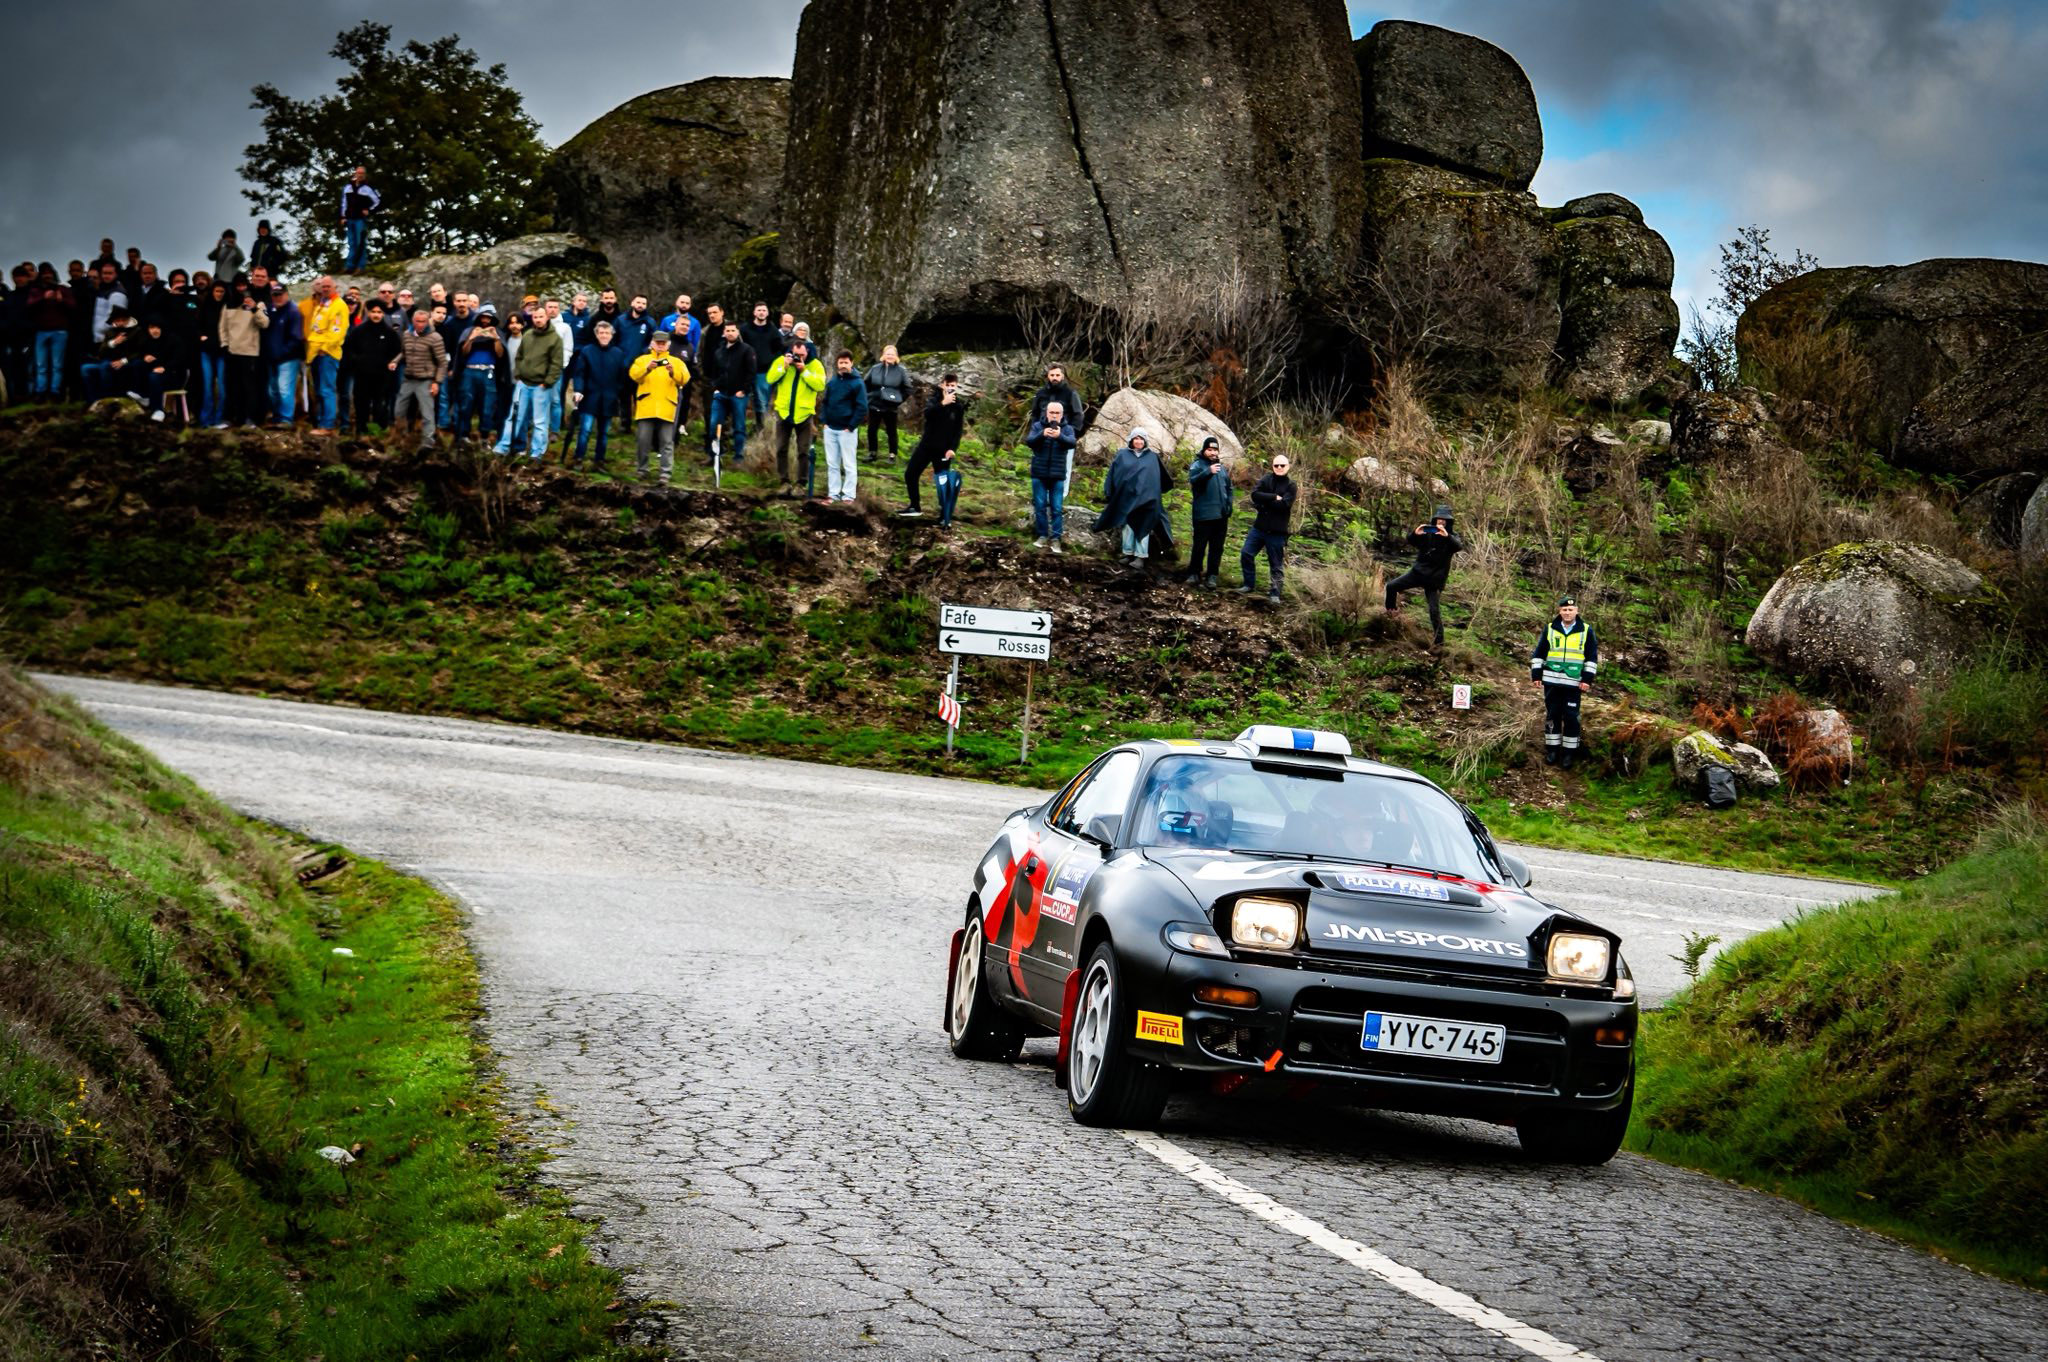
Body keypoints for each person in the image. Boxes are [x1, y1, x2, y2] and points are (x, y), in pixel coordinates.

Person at [1531, 596, 1598, 769]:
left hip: (1574, 682)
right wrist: (1536, 675)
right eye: (1564, 610)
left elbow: (1591, 657)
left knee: (1571, 717)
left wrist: (1587, 679)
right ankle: (1552, 750)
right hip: (1552, 681)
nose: (1567, 613)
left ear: (1577, 611)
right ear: (1559, 611)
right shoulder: (1550, 629)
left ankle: (1569, 753)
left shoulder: (1586, 630)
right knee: (1552, 715)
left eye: (1570, 610)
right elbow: (1539, 653)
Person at [1384, 504, 1463, 645]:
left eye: (1444, 520)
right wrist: (1416, 533)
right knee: (1391, 586)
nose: (1441, 522)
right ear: (1435, 520)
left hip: (1434, 580)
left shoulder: (1452, 538)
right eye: (1439, 520)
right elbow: (1410, 541)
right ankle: (1391, 614)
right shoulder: (1427, 534)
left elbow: (1458, 546)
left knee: (1434, 610)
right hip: (1418, 573)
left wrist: (1446, 536)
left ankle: (1439, 643)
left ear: (1449, 522)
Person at [1098, 428, 1173, 567]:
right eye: (1136, 438)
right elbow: (1114, 473)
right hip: (1127, 498)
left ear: (1145, 441)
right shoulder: (1122, 455)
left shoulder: (1152, 457)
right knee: (1128, 526)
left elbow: (1161, 477)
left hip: (1146, 500)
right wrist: (1110, 492)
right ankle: (1128, 554)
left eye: (1141, 439)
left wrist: (1155, 492)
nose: (1138, 441)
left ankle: (1140, 556)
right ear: (1131, 440)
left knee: (1143, 526)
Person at [498, 302, 563, 459]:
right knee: (514, 417)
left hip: (541, 386)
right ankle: (503, 447)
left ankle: (537, 453)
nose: (538, 320)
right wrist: (519, 373)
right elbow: (519, 356)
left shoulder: (555, 339)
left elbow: (556, 364)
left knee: (540, 422)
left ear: (547, 317)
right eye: (535, 317)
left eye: (541, 316)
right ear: (532, 318)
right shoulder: (527, 335)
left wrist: (547, 382)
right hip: (523, 384)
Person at [899, 373, 967, 519]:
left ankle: (944, 514)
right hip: (927, 445)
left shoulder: (959, 406)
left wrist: (952, 449)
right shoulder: (933, 399)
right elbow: (928, 414)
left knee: (943, 482)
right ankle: (914, 506)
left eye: (952, 385)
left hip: (944, 450)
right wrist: (943, 403)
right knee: (910, 473)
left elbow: (958, 430)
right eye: (947, 385)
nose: (950, 388)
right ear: (942, 385)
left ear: (956, 386)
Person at [765, 338, 827, 496]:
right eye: (796, 354)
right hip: (783, 412)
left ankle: (801, 484)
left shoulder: (815, 365)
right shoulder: (782, 360)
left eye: (802, 354)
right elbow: (770, 379)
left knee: (803, 450)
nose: (799, 357)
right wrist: (784, 367)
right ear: (791, 351)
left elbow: (820, 385)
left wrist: (804, 370)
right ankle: (784, 482)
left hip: (804, 414)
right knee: (781, 449)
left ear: (807, 352)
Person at [564, 318, 626, 470]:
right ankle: (579, 458)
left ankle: (599, 462)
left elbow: (621, 377)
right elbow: (579, 374)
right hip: (590, 397)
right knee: (585, 430)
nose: (604, 335)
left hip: (609, 399)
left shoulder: (618, 354)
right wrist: (579, 390)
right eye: (601, 333)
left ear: (611, 335)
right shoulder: (587, 351)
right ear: (596, 334)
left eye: (607, 333)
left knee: (603, 433)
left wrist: (616, 392)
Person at [627, 330, 688, 484]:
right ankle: (642, 470)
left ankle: (665, 473)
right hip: (646, 406)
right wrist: (647, 368)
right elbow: (634, 376)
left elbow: (684, 380)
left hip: (667, 407)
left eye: (663, 343)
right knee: (643, 440)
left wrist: (673, 372)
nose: (660, 345)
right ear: (652, 343)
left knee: (667, 442)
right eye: (658, 342)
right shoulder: (642, 360)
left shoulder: (676, 362)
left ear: (668, 344)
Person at [1237, 453, 1296, 604]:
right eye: (1276, 465)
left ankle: (1275, 593)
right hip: (1259, 528)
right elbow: (1255, 495)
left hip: (1277, 532)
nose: (1279, 468)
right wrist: (1273, 497)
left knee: (1276, 564)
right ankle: (1248, 584)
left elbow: (1284, 505)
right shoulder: (1266, 479)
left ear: (1288, 467)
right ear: (1273, 466)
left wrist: (1265, 502)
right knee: (1246, 553)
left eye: (1282, 465)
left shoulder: (1291, 485)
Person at [698, 318, 756, 466]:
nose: (730, 333)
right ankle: (714, 455)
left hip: (739, 394)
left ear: (737, 332)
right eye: (728, 331)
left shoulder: (746, 350)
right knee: (714, 425)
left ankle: (738, 457)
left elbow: (751, 372)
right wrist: (715, 387)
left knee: (739, 427)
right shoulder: (719, 352)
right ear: (724, 333)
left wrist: (744, 390)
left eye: (733, 331)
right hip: (721, 394)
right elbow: (715, 372)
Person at [341, 299, 400, 434]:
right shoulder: (358, 331)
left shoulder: (390, 333)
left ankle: (380, 430)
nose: (376, 315)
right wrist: (357, 362)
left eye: (379, 312)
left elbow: (397, 353)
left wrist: (390, 366)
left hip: (383, 376)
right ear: (368, 312)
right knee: (361, 404)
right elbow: (349, 350)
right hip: (362, 375)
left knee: (381, 405)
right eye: (373, 312)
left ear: (383, 314)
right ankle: (361, 430)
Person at [1024, 401, 1076, 552]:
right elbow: (1029, 442)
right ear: (1046, 413)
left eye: (1057, 413)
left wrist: (1059, 436)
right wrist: (1042, 434)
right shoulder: (1037, 426)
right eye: (1051, 412)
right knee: (1040, 507)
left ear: (1061, 414)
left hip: (1058, 475)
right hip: (1039, 474)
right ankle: (1042, 535)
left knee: (1057, 508)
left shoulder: (1067, 429)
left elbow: (1072, 443)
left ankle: (1056, 539)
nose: (1054, 415)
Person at [818, 350, 869, 503]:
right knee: (832, 464)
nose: (843, 365)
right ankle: (833, 494)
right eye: (841, 362)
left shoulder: (857, 383)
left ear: (851, 363)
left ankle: (848, 496)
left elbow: (862, 407)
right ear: (837, 364)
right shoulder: (832, 382)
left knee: (849, 464)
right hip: (830, 429)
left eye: (846, 362)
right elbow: (825, 402)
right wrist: (824, 422)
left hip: (847, 430)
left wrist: (851, 426)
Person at [393, 307, 447, 451]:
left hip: (426, 380)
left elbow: (442, 363)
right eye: (418, 321)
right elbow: (404, 352)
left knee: (427, 414)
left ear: (427, 321)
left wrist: (437, 382)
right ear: (413, 321)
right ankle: (401, 439)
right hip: (408, 378)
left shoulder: (435, 338)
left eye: (424, 322)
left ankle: (428, 443)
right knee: (398, 410)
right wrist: (395, 361)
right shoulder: (407, 335)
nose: (421, 324)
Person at [1183, 435, 1232, 588]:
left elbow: (1229, 488)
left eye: (1215, 450)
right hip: (1203, 515)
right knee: (1199, 545)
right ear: (1204, 450)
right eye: (1210, 450)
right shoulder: (1197, 465)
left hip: (1221, 515)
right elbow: (1194, 481)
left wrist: (1229, 505)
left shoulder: (1222, 468)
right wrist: (1208, 472)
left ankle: (1212, 576)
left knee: (1217, 547)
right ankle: (1194, 573)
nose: (1213, 453)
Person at [302, 276, 349, 434]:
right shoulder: (322, 303)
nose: (325, 288)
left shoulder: (339, 305)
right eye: (323, 286)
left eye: (328, 286)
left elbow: (337, 331)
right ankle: (321, 422)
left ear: (335, 287)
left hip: (327, 354)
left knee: (327, 389)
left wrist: (325, 348)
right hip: (314, 353)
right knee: (319, 390)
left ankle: (327, 425)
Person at [453, 308, 503, 442]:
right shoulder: (469, 331)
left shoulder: (497, 333)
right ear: (478, 318)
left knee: (487, 406)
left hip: (488, 372)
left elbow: (500, 354)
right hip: (470, 371)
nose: (485, 320)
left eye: (488, 318)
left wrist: (496, 339)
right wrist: (471, 338)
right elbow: (463, 353)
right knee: (466, 403)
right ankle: (463, 435)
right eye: (483, 317)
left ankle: (485, 437)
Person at [26, 264, 73, 400]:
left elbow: (73, 306)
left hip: (60, 331)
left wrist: (61, 300)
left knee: (57, 365)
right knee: (41, 365)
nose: (47, 276)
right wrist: (43, 298)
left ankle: (55, 392)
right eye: (44, 273)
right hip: (41, 331)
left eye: (49, 273)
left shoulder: (63, 289)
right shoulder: (36, 291)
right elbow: (29, 305)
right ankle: (40, 392)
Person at [262, 282, 305, 425]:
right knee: (271, 390)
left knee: (284, 388)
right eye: (275, 295)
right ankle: (276, 416)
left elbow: (296, 338)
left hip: (288, 358)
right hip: (271, 358)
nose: (277, 298)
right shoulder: (270, 310)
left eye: (280, 295)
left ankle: (286, 419)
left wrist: (281, 353)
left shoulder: (293, 311)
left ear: (286, 294)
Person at [739, 301, 782, 427]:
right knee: (742, 400)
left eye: (764, 310)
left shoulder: (773, 330)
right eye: (759, 310)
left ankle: (761, 429)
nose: (761, 312)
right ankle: (741, 429)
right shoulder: (745, 329)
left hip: (763, 371)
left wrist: (769, 360)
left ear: (767, 313)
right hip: (746, 370)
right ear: (754, 312)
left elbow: (778, 349)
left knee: (762, 402)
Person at [863, 344, 909, 459]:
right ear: (883, 355)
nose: (890, 356)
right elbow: (865, 383)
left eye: (892, 354)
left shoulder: (901, 371)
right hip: (875, 404)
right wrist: (870, 396)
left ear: (896, 356)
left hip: (891, 406)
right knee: (872, 430)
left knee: (891, 431)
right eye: (888, 354)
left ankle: (892, 454)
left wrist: (898, 400)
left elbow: (907, 388)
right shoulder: (875, 368)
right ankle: (872, 453)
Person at [194, 280, 229, 425]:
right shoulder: (205, 306)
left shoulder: (228, 307)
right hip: (206, 351)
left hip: (222, 351)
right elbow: (197, 324)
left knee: (222, 387)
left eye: (222, 291)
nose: (219, 294)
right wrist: (201, 337)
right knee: (207, 386)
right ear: (212, 291)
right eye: (217, 291)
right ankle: (205, 420)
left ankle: (219, 418)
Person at [340, 166, 381, 271]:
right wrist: (343, 216)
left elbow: (377, 201)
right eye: (358, 173)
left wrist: (369, 210)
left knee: (360, 242)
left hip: (360, 219)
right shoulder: (348, 187)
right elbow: (344, 203)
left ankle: (360, 266)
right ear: (355, 174)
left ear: (365, 175)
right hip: (350, 218)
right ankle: (350, 265)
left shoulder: (367, 188)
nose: (360, 175)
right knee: (351, 243)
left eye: (362, 173)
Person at [1030, 363, 1084, 430]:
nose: (1054, 378)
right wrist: (1035, 430)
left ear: (1062, 376)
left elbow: (1078, 414)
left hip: (1063, 433)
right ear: (1048, 376)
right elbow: (1035, 413)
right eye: (1052, 375)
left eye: (1057, 375)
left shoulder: (1071, 393)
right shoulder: (1040, 393)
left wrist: (1072, 431)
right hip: (1042, 433)